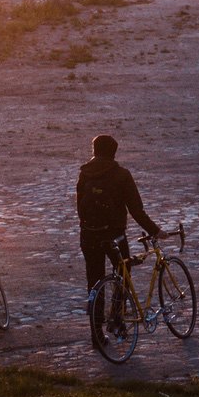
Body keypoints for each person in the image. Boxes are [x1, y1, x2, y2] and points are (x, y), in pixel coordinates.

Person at [75, 134, 164, 341]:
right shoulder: (122, 175)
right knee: (122, 276)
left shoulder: (84, 174)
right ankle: (117, 320)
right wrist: (155, 230)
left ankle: (96, 334)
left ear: (94, 150)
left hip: (88, 234)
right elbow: (136, 210)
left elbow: (80, 208)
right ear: (114, 152)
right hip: (114, 235)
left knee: (94, 282)